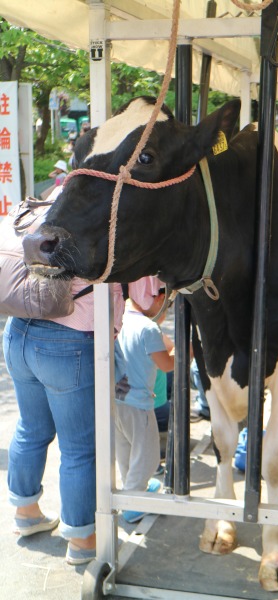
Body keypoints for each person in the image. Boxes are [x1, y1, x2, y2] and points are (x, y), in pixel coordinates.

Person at [3, 186, 125, 565]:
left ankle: (26, 513)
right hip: (67, 339)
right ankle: (82, 540)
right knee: (79, 447)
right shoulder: (103, 212)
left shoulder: (42, 203)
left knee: (30, 428)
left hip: (17, 332)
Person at [114, 277, 175, 523]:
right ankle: (133, 505)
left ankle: (133, 490)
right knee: (147, 456)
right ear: (158, 299)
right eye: (166, 306)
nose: (164, 312)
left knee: (126, 451)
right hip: (139, 404)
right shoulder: (149, 328)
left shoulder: (119, 317)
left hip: (116, 400)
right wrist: (187, 351)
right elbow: (167, 365)